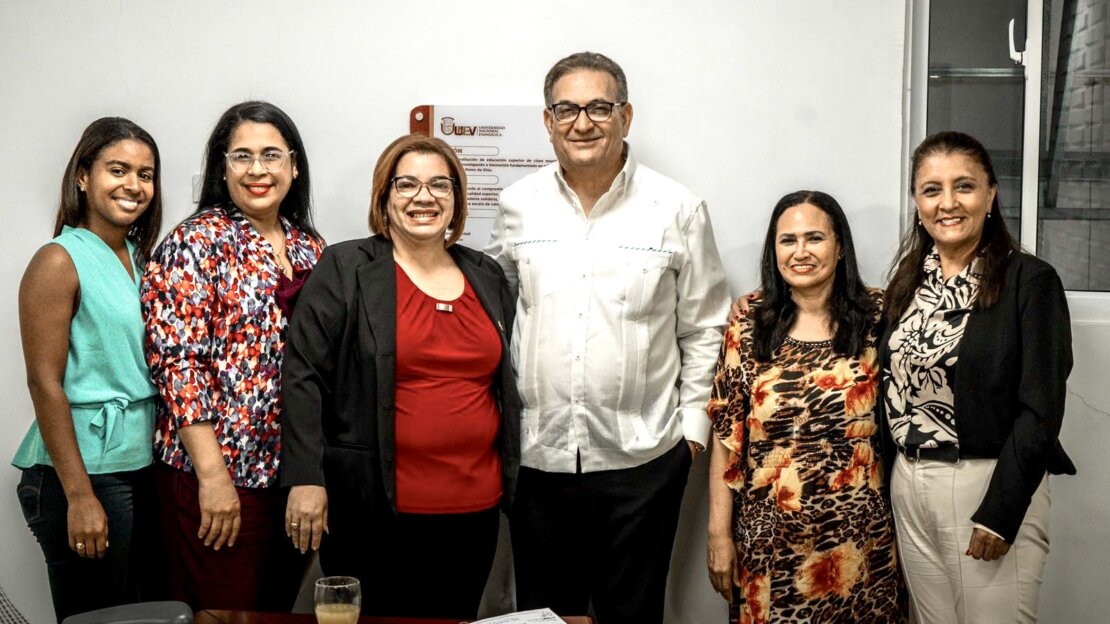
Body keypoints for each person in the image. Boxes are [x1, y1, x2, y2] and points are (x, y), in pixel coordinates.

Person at [485, 51, 730, 623]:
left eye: (600, 106)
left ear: (626, 115)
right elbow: (497, 313)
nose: (583, 122)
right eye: (566, 109)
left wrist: (689, 436)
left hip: (643, 462)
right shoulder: (517, 205)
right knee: (543, 617)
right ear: (548, 122)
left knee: (633, 616)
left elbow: (704, 326)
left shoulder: (678, 208)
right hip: (538, 462)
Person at [280, 134, 520, 619]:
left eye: (439, 185)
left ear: (456, 200)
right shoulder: (347, 268)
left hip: (474, 511)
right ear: (385, 199)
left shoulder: (486, 275)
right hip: (372, 510)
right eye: (406, 184)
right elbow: (302, 372)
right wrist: (306, 478)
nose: (423, 197)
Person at [880, 131, 1074, 623]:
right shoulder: (909, 280)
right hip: (909, 481)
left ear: (990, 195)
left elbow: (1041, 408)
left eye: (963, 186)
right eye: (931, 189)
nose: (947, 203)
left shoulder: (1029, 281)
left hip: (984, 482)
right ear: (917, 201)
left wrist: (1001, 511)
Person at [141, 101, 322, 610]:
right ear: (222, 167)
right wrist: (214, 479)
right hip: (220, 477)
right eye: (242, 156)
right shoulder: (194, 242)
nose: (258, 170)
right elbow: (178, 367)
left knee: (274, 610)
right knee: (223, 613)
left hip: (290, 480)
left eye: (271, 155)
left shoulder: (312, 248)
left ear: (294, 164)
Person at [706, 191, 907, 623]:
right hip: (768, 542)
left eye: (814, 238)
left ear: (839, 247)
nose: (800, 252)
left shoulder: (879, 315)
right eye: (787, 240)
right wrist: (718, 532)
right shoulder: (749, 321)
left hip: (860, 539)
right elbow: (726, 436)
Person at [14, 117, 164, 622]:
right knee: (99, 617)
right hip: (81, 474)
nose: (133, 185)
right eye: (117, 169)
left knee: (143, 613)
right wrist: (79, 496)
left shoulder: (139, 259)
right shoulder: (59, 260)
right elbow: (44, 383)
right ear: (83, 176)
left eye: (145, 174)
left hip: (136, 466)